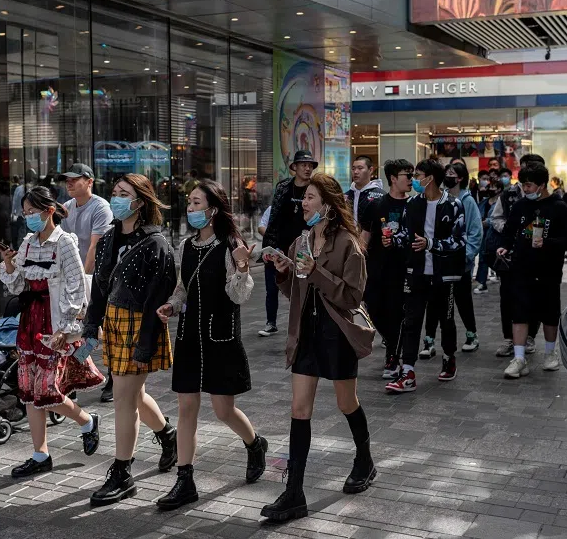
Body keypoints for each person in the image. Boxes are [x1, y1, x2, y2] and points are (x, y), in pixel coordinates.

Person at [261, 173, 376, 522]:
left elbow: (353, 295)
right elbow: (294, 291)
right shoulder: (301, 241)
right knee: (299, 410)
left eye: (310, 197)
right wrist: (283, 271)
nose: (304, 203)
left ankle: (365, 459)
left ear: (327, 203)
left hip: (337, 334)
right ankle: (294, 492)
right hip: (307, 334)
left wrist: (316, 273)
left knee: (346, 402)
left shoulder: (347, 244)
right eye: (304, 198)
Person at [154, 180, 267, 510]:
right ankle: (185, 480)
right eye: (189, 203)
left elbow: (238, 295)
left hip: (220, 339)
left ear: (213, 210)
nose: (191, 209)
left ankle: (254, 443)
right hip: (189, 337)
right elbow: (182, 289)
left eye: (197, 204)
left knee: (222, 410)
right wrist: (171, 306)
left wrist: (244, 266)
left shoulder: (231, 245)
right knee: (186, 408)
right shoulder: (186, 246)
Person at [0, 186, 104, 478]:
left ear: (49, 211)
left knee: (47, 389)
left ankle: (86, 421)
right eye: (25, 212)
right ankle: (40, 454)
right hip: (30, 321)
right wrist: (8, 261)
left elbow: (77, 287)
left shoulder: (64, 242)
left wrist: (66, 327)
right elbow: (16, 285)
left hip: (53, 322)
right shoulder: (28, 242)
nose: (29, 217)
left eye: (34, 212)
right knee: (30, 391)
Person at [83, 174, 178, 506]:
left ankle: (123, 474)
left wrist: (145, 344)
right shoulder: (109, 238)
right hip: (113, 321)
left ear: (141, 202)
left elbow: (157, 300)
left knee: (124, 399)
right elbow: (99, 286)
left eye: (124, 194)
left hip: (140, 325)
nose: (116, 199)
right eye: (114, 193)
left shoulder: (157, 244)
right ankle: (168, 435)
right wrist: (90, 326)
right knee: (133, 396)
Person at [385, 158, 465, 392]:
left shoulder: (453, 205)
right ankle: (407, 371)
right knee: (411, 321)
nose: (414, 180)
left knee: (446, 320)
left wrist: (431, 244)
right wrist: (392, 239)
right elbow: (406, 235)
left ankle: (449, 356)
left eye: (417, 175)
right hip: (417, 272)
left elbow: (459, 242)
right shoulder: (413, 204)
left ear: (430, 178)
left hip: (444, 275)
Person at [498, 162, 567, 379]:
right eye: (524, 185)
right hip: (521, 268)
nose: (526, 189)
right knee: (520, 313)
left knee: (550, 314)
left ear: (542, 185)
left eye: (530, 185)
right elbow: (509, 230)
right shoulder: (521, 206)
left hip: (549, 270)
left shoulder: (559, 208)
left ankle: (551, 355)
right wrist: (504, 245)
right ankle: (519, 358)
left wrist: (548, 243)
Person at [58, 164, 116, 402]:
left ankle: (113, 378)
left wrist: (82, 284)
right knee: (82, 332)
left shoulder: (100, 207)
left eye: (75, 179)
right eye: (67, 180)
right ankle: (74, 375)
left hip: (100, 280)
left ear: (89, 181)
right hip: (76, 281)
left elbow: (95, 248)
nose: (69, 183)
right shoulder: (66, 208)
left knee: (105, 330)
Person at [359, 159, 412, 379]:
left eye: (412, 175)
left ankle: (393, 356)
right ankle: (392, 344)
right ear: (393, 178)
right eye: (406, 175)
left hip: (402, 270)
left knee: (396, 312)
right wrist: (358, 263)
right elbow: (364, 237)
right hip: (377, 268)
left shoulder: (415, 205)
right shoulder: (377, 205)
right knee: (373, 309)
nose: (410, 179)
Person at [422, 162, 482, 354]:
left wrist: (467, 256)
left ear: (461, 178)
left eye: (452, 173)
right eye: (446, 172)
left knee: (462, 300)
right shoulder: (440, 199)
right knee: (433, 300)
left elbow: (475, 232)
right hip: (439, 260)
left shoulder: (467, 201)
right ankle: (429, 338)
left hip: (460, 262)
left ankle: (472, 333)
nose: (448, 176)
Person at [259, 150, 318, 336]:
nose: (307, 168)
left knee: (301, 287)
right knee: (272, 286)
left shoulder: (315, 189)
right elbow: (274, 218)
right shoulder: (283, 187)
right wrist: (269, 245)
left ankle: (303, 322)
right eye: (303, 165)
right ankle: (271, 321)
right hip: (280, 246)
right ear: (295, 167)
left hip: (304, 246)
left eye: (310, 165)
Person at [491, 156, 545, 357]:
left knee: (534, 298)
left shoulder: (546, 198)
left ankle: (529, 336)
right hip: (511, 256)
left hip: (536, 258)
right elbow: (496, 218)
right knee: (508, 297)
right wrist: (510, 231)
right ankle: (509, 338)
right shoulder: (509, 195)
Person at [474, 178, 503, 294]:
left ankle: (501, 276)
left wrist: (488, 222)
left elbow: (499, 218)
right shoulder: (484, 201)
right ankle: (482, 282)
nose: (491, 189)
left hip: (494, 234)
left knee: (497, 256)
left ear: (499, 189)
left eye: (493, 187)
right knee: (483, 257)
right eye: (490, 186)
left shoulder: (501, 202)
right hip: (482, 233)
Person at [346, 156, 384, 223]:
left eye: (360, 168)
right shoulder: (346, 196)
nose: (355, 172)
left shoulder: (380, 195)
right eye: (353, 168)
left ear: (370, 170)